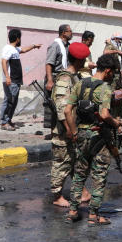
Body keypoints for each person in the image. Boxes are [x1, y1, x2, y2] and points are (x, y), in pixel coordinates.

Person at [64, 54, 122, 226]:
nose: (113, 76)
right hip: (99, 136)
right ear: (107, 71)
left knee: (79, 174)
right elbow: (105, 114)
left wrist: (74, 132)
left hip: (82, 135)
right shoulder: (105, 88)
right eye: (113, 73)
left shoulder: (80, 84)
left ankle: (73, 211)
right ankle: (94, 215)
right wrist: (117, 124)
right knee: (99, 175)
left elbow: (67, 110)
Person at [50, 41, 91, 207]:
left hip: (73, 126)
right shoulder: (65, 79)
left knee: (74, 159)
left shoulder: (74, 77)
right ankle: (57, 195)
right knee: (61, 161)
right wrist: (69, 129)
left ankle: (82, 191)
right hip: (64, 129)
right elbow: (61, 108)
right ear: (79, 61)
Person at [0, 29, 41, 130]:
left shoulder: (14, 49)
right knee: (9, 101)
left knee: (13, 101)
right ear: (17, 39)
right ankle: (4, 122)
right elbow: (3, 61)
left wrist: (34, 46)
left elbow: (24, 50)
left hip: (16, 80)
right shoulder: (8, 48)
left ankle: (8, 120)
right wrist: (7, 77)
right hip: (11, 80)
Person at [45, 24, 73, 92]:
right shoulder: (55, 46)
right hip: (55, 78)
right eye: (70, 31)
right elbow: (49, 64)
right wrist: (49, 80)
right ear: (64, 33)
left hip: (65, 79)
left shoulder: (69, 46)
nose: (71, 33)